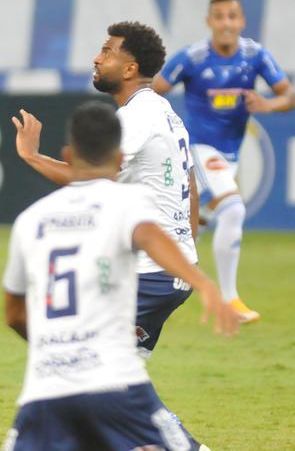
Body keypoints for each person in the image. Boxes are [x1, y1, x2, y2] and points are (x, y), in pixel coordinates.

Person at [2, 101, 237, 451]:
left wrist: (57, 345)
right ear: (119, 160)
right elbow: (150, 236)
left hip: (45, 389)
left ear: (68, 153)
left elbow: (14, 315)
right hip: (113, 382)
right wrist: (201, 281)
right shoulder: (127, 202)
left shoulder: (29, 221)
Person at [12, 21, 200, 359]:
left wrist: (30, 155)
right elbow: (190, 181)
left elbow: (89, 178)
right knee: (118, 373)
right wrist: (185, 247)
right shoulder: (163, 112)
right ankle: (148, 413)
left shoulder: (137, 117)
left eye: (107, 51)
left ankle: (155, 415)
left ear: (130, 68)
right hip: (164, 270)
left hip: (150, 272)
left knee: (72, 353)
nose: (97, 59)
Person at [152, 0, 295, 324]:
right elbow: (151, 89)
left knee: (197, 220)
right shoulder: (192, 58)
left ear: (242, 21)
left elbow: (289, 96)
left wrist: (268, 104)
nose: (226, 23)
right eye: (219, 16)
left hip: (230, 154)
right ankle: (230, 300)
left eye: (232, 16)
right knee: (233, 208)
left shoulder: (255, 55)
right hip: (199, 149)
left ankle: (165, 280)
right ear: (209, 22)